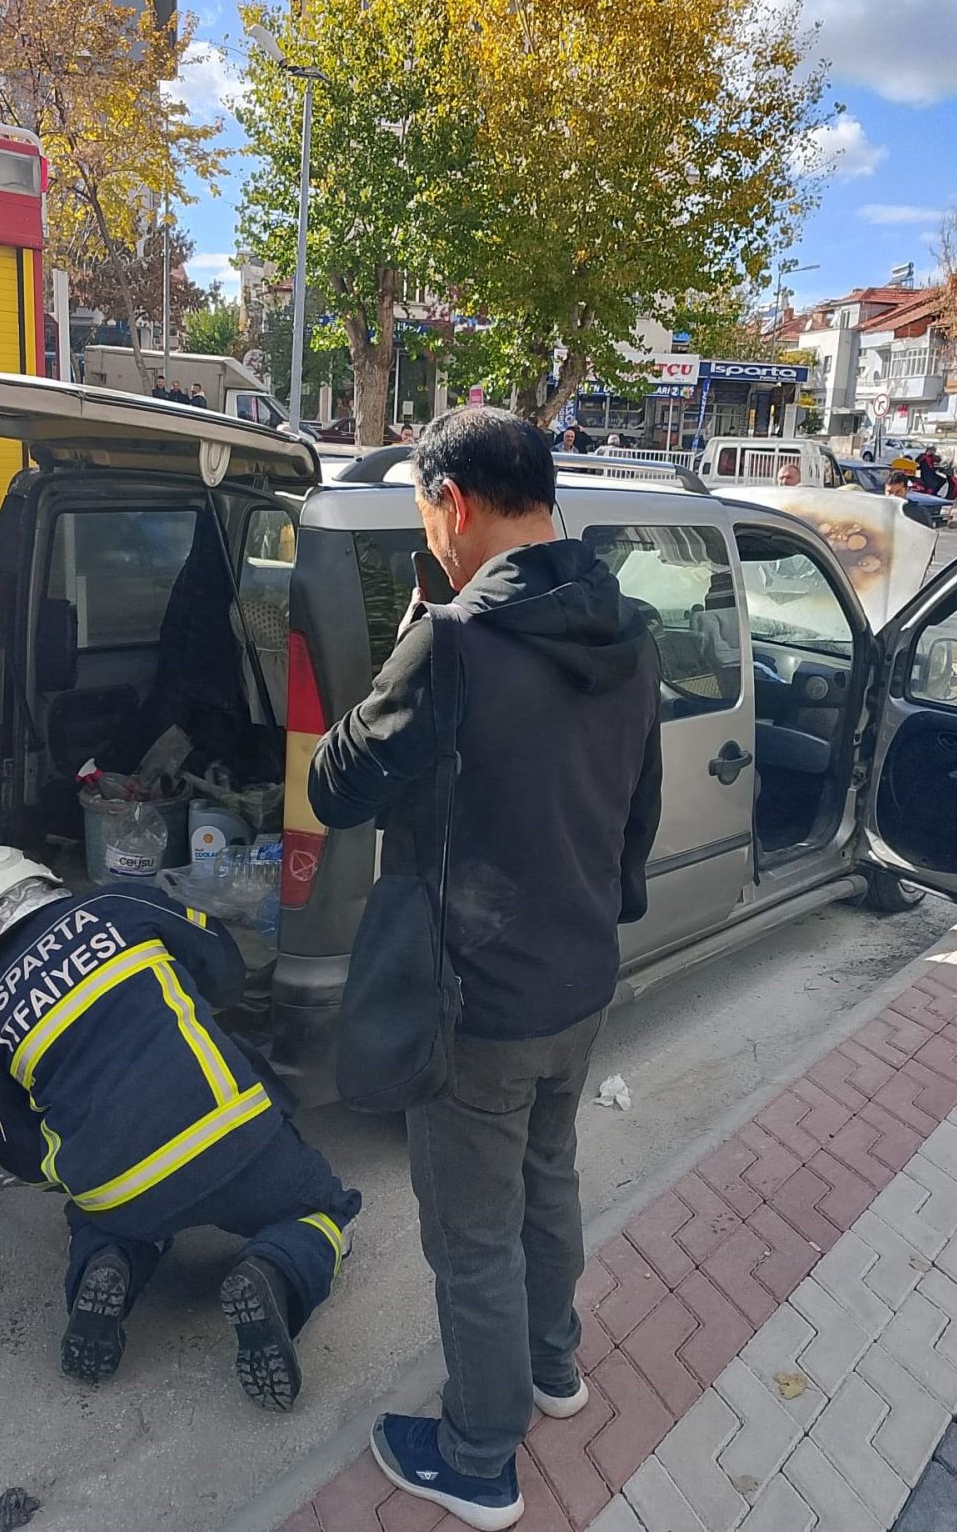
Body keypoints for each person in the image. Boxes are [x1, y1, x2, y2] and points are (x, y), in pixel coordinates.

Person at [308, 408, 662, 1530]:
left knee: (469, 1230)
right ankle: (554, 1369)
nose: (431, 532)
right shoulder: (631, 627)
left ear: (452, 503)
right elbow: (635, 818)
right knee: (546, 1181)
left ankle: (475, 1455)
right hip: (577, 976)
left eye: (426, 511)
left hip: (476, 998)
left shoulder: (455, 637)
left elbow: (336, 785)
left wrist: (416, 622)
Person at [0, 846, 360, 1404]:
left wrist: (86, 1167)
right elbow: (221, 960)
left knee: (101, 1217)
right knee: (322, 1209)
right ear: (39, 881)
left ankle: (108, 1257)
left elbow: (17, 1155)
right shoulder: (117, 904)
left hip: (125, 1189)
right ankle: (275, 1271)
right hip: (233, 1141)